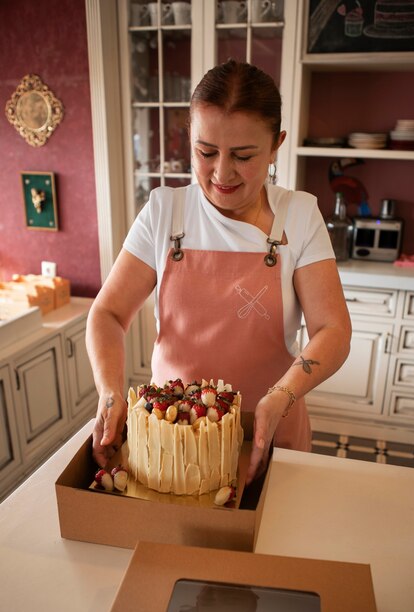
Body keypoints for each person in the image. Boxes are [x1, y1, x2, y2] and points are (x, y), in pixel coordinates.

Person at [86, 59, 351, 484]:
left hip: (269, 429)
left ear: (276, 144)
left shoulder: (299, 215)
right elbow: (108, 314)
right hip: (174, 437)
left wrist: (281, 395)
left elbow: (333, 330)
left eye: (244, 156)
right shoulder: (164, 212)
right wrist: (111, 393)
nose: (221, 173)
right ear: (190, 137)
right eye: (205, 152)